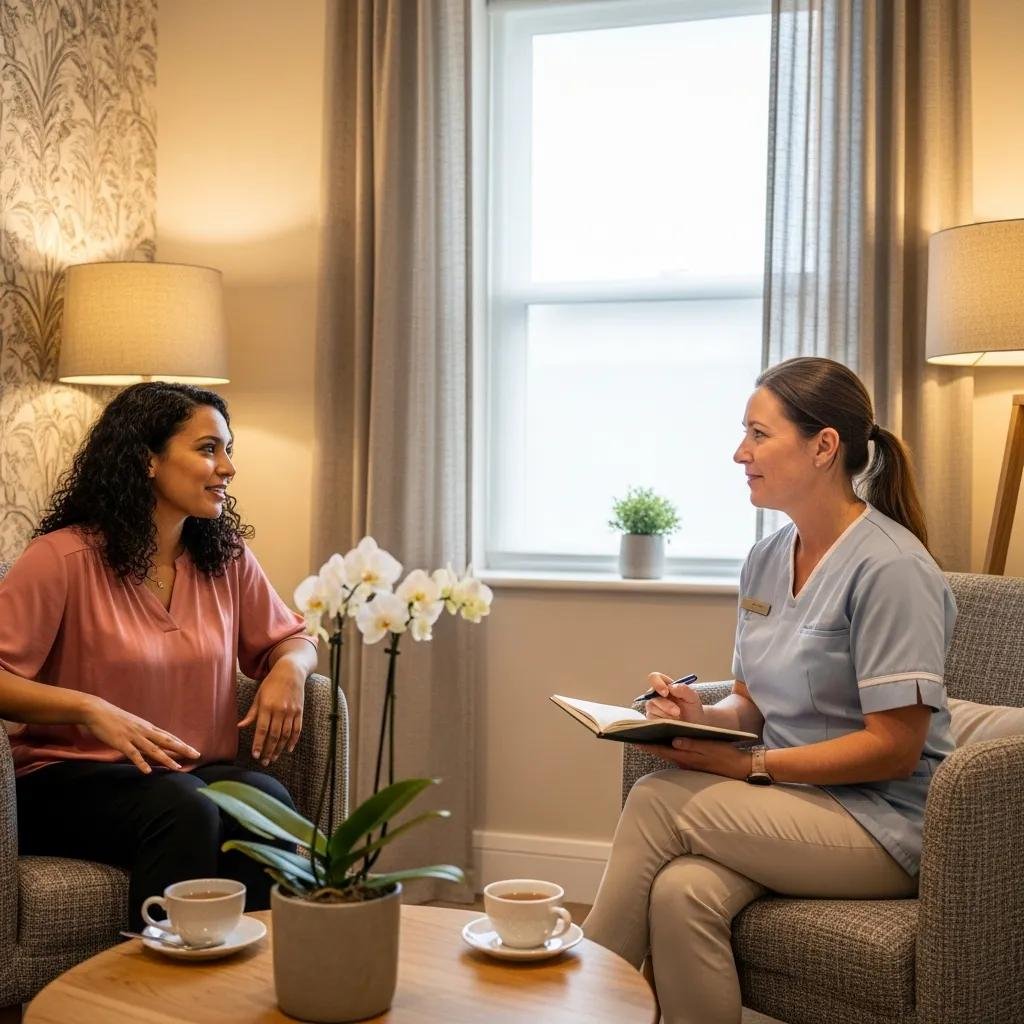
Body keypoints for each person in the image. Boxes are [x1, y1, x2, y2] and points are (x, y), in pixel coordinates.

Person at [583, 356, 956, 1024]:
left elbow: (897, 749)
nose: (739, 453)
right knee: (681, 892)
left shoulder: (893, 569)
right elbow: (753, 701)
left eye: (758, 434)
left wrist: (749, 763)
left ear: (824, 447)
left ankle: (572, 1009)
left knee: (657, 801)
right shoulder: (764, 558)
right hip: (794, 805)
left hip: (887, 827)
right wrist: (701, 714)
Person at [0, 383, 318, 931]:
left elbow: (291, 637)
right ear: (146, 459)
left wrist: (289, 669)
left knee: (264, 798)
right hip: (65, 782)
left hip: (183, 775)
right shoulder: (60, 559)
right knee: (184, 806)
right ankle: (158, 999)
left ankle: (261, 988)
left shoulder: (225, 559)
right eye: (207, 449)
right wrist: (87, 708)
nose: (228, 468)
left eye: (227, 449)